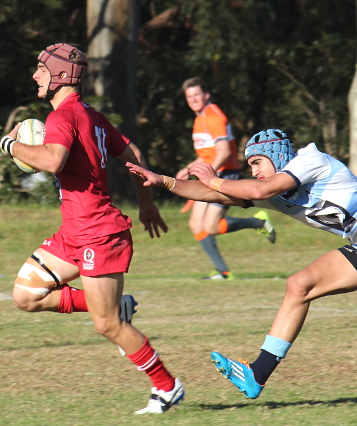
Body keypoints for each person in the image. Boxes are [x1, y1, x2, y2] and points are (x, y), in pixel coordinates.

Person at [0, 43, 184, 414]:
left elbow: (53, 160)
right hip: (75, 231)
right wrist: (146, 204)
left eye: (41, 69)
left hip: (99, 233)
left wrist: (11, 145)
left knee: (107, 326)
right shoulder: (91, 116)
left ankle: (167, 386)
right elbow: (134, 155)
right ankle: (119, 307)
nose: (35, 75)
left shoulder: (62, 117)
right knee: (26, 295)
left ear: (61, 75)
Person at [126, 128, 357, 399]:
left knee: (300, 285)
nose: (254, 171)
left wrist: (215, 180)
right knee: (299, 285)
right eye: (250, 166)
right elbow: (213, 194)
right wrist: (163, 180)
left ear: (278, 155)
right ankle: (256, 375)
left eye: (257, 162)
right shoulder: (278, 194)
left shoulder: (311, 160)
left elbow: (259, 187)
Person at [178, 77, 276, 280]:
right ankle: (223, 272)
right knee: (196, 224)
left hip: (224, 173)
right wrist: (189, 169)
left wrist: (206, 175)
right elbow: (208, 153)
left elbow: (222, 152)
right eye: (190, 96)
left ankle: (257, 222)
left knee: (211, 227)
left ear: (206, 95)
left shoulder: (214, 117)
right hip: (212, 171)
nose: (193, 99)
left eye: (197, 94)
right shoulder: (200, 118)